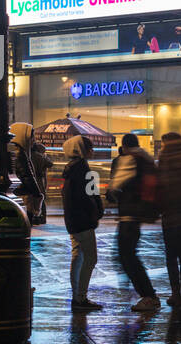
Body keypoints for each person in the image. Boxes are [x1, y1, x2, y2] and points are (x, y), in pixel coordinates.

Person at [108, 133, 160, 310]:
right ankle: (148, 294)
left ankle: (148, 296)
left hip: (129, 214)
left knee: (127, 256)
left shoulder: (129, 159)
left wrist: (112, 193)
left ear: (124, 145)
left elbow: (114, 187)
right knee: (129, 255)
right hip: (137, 214)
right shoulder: (146, 158)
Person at [61, 135, 103, 310]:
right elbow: (90, 196)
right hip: (83, 221)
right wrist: (96, 213)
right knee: (91, 258)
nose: (92, 151)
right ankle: (81, 298)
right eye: (89, 147)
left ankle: (77, 296)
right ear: (82, 149)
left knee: (78, 256)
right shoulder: (83, 169)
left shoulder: (71, 169)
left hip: (73, 220)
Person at [157, 132, 181, 307]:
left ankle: (176, 292)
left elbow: (160, 187)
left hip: (170, 216)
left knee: (171, 256)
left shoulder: (163, 161)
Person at [9, 122, 47, 224]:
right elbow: (27, 176)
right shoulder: (20, 153)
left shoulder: (12, 150)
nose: (33, 141)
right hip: (24, 197)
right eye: (31, 137)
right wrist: (37, 194)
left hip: (17, 194)